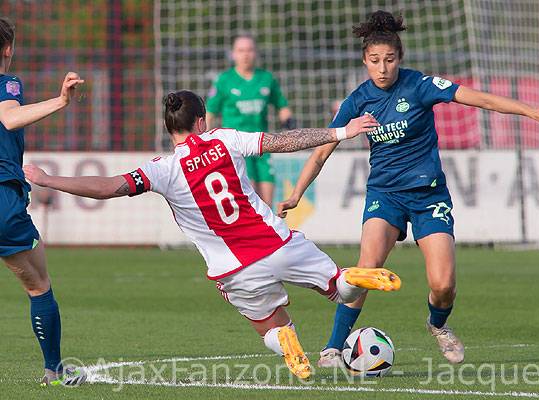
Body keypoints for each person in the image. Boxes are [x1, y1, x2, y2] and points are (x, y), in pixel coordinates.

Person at [24, 90, 401, 379]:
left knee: (271, 324)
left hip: (233, 270)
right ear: (201, 121)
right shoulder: (224, 139)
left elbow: (108, 187)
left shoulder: (163, 170)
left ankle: (285, 340)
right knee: (339, 288)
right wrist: (342, 130)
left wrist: (47, 179)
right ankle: (351, 275)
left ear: (170, 129)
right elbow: (284, 140)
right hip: (278, 242)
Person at [277, 10, 539, 367]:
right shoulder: (357, 101)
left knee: (443, 285)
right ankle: (332, 349)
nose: (382, 68)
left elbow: (481, 99)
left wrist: (532, 112)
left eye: (389, 60)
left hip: (429, 196)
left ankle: (438, 325)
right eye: (374, 61)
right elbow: (321, 153)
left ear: (400, 58)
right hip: (386, 195)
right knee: (367, 268)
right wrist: (296, 194)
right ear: (365, 61)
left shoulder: (419, 86)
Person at [0, 17, 86, 386]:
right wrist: (62, 101)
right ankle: (53, 371)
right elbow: (10, 118)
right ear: (8, 48)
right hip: (3, 199)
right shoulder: (7, 82)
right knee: (39, 286)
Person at [206, 34, 293, 207]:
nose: (245, 54)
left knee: (268, 203)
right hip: (237, 148)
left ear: (256, 53)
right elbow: (210, 113)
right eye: (241, 50)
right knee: (250, 200)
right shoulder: (224, 80)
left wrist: (288, 123)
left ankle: (270, 233)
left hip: (262, 146)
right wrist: (206, 144)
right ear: (233, 54)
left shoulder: (266, 79)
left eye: (249, 50)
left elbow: (282, 106)